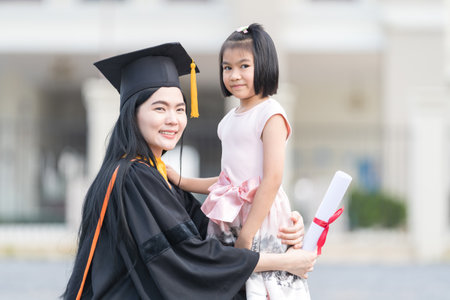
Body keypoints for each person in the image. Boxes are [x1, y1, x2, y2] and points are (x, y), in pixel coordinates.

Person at [63, 42, 316, 300]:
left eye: (180, 109)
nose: (173, 119)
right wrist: (281, 263)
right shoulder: (133, 177)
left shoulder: (155, 174)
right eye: (160, 108)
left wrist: (275, 228)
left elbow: (209, 233)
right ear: (132, 114)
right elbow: (190, 257)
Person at [166, 24, 311, 299]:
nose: (234, 75)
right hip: (230, 215)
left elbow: (272, 179)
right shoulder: (228, 121)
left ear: (264, 65)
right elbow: (226, 183)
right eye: (227, 67)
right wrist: (181, 180)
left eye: (244, 66)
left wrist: (248, 234)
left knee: (267, 285)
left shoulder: (271, 114)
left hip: (261, 214)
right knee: (231, 285)